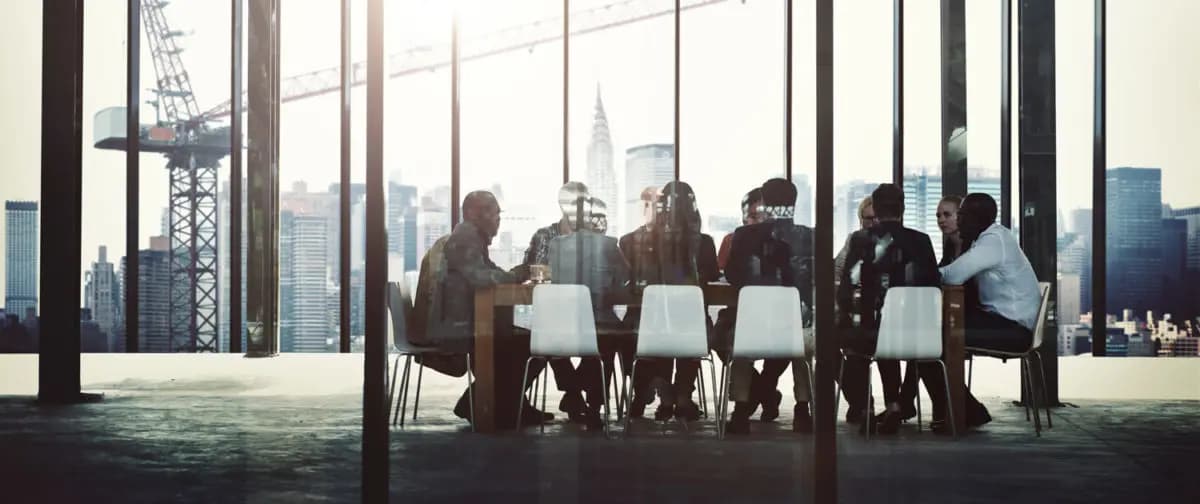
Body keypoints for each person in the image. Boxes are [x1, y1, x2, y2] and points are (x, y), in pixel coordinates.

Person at [926, 192, 1042, 432]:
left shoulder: (992, 241)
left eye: (963, 216)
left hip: (1013, 328)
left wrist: (919, 274)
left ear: (978, 219)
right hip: (1002, 320)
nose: (959, 221)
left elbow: (954, 275)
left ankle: (962, 412)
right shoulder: (989, 239)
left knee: (929, 340)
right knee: (929, 334)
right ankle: (965, 410)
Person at [440, 190, 550, 429]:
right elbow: (481, 277)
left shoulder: (471, 239)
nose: (498, 218)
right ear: (472, 213)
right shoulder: (467, 237)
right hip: (465, 325)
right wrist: (515, 275)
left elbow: (489, 271)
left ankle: (508, 405)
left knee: (525, 343)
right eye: (493, 212)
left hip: (471, 321)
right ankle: (487, 404)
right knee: (536, 346)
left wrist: (514, 275)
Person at [836, 183, 940, 435]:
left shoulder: (861, 239)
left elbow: (847, 284)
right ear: (902, 209)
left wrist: (848, 313)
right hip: (916, 333)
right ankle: (894, 404)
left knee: (842, 339)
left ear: (877, 210)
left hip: (873, 332)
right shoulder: (922, 240)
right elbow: (933, 283)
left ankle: (864, 407)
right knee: (887, 334)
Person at [721, 178, 816, 434]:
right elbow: (815, 278)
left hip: (754, 327)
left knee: (741, 346)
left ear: (764, 203)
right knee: (802, 347)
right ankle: (802, 411)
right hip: (793, 328)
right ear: (794, 204)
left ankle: (741, 411)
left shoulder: (743, 235)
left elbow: (732, 275)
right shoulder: (809, 236)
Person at [620, 182, 720, 421]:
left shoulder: (632, 241)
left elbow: (627, 279)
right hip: (692, 329)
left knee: (642, 328)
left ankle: (655, 389)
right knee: (689, 325)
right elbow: (713, 276)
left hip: (648, 327)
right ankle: (683, 394)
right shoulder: (704, 243)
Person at [547, 196, 633, 429]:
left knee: (548, 341)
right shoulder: (608, 245)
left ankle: (572, 392)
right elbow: (624, 279)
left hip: (562, 322)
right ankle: (593, 406)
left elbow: (553, 280)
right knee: (604, 343)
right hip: (599, 321)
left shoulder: (556, 245)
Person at [519, 181, 593, 422]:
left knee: (601, 339)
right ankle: (574, 395)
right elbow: (535, 274)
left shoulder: (593, 239)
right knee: (551, 333)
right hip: (547, 310)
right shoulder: (545, 236)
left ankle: (573, 395)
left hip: (581, 312)